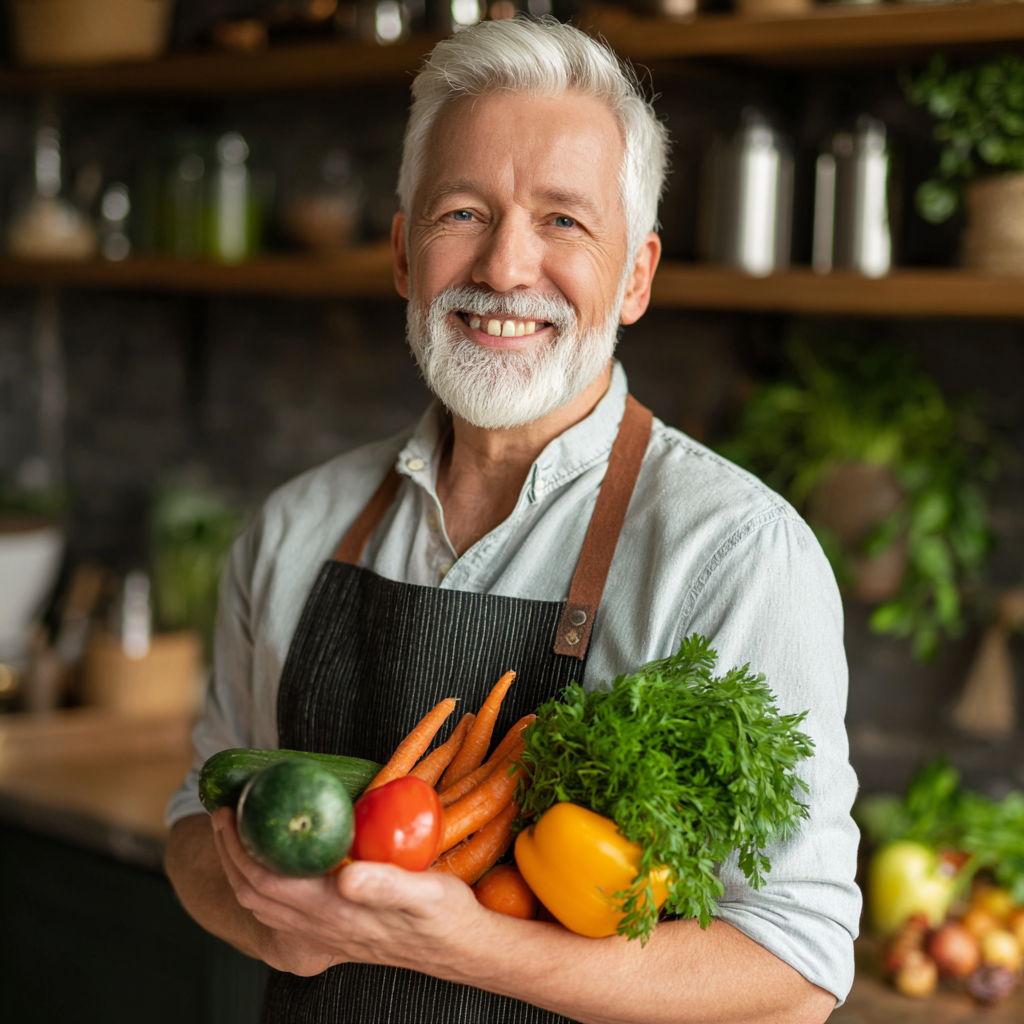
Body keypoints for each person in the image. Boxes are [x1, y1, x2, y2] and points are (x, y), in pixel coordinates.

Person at [165, 17, 860, 1024]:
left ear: (636, 278)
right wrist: (269, 922)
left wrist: (472, 946)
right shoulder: (292, 527)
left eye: (564, 222)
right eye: (461, 212)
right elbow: (197, 813)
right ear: (404, 253)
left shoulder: (736, 555)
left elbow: (792, 972)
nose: (502, 267)